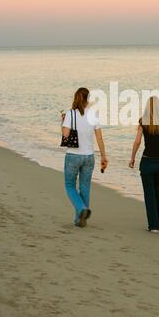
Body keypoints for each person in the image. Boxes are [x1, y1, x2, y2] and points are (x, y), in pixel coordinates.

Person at [61, 87, 108, 227]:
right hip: (89, 156)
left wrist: (62, 122)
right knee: (85, 187)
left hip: (73, 155)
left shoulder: (70, 114)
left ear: (75, 98)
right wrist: (103, 157)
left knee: (70, 185)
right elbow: (99, 138)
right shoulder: (93, 114)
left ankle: (82, 209)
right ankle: (80, 219)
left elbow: (65, 135)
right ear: (87, 99)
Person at [129, 96, 159, 233]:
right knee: (158, 190)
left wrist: (132, 158)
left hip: (147, 161)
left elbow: (137, 142)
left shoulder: (143, 122)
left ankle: (154, 226)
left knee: (149, 194)